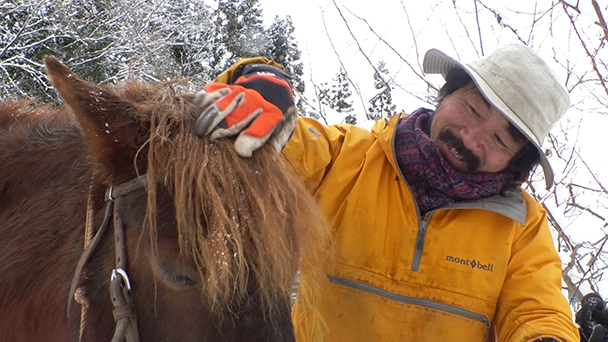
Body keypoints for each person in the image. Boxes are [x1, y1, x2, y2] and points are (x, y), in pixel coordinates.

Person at [193, 45, 580, 341]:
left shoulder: (521, 227)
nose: (470, 139)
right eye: (473, 110)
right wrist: (255, 78)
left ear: (516, 162)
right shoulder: (350, 159)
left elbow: (538, 312)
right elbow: (287, 145)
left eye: (498, 139)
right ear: (445, 94)